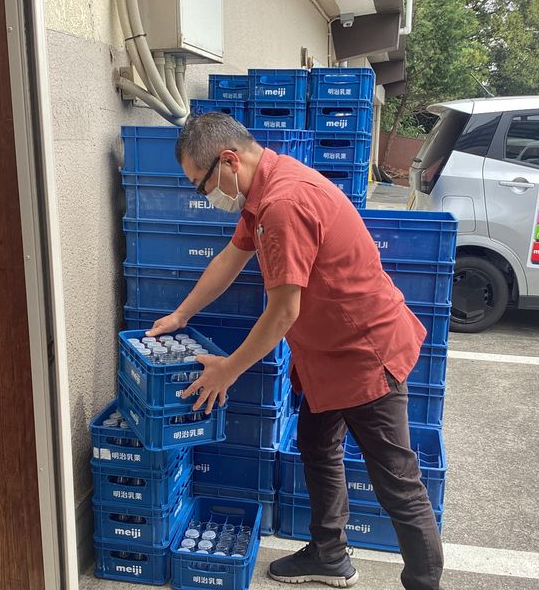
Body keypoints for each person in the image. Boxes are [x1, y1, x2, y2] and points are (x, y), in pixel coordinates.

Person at [147, 113, 443, 589]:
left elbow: (283, 312)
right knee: (317, 445)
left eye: (202, 185)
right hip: (327, 355)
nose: (204, 196)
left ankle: (424, 583)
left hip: (365, 354)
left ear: (229, 161)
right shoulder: (263, 190)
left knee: (397, 482)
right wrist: (181, 315)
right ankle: (329, 554)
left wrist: (228, 370)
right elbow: (230, 259)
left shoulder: (284, 204)